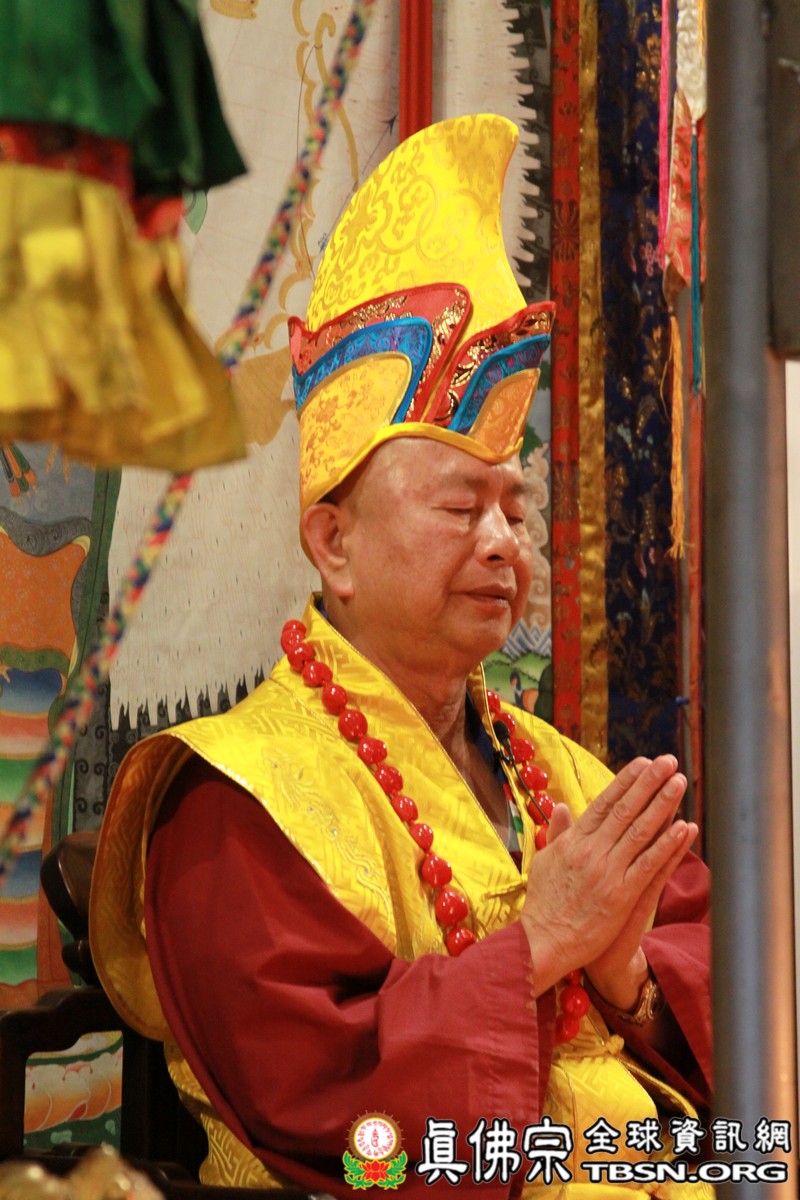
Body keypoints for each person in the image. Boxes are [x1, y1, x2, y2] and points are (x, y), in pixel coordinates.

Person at [90, 114, 712, 1199]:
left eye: (516, 509)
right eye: (461, 506)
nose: (503, 543)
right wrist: (538, 946)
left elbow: (726, 1007)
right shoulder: (236, 800)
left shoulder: (564, 778)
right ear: (333, 543)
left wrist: (629, 985)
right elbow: (322, 1110)